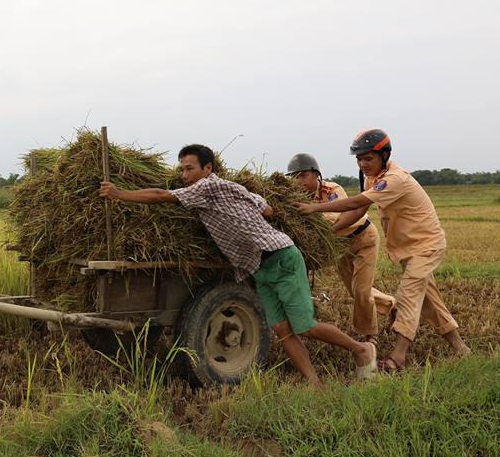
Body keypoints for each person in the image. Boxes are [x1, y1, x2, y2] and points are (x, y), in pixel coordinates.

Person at [99, 144, 376, 386]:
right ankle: (314, 382)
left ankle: (360, 349)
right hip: (259, 267)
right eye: (181, 170)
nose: (184, 176)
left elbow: (161, 196)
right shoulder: (233, 188)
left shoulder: (206, 187)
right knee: (280, 330)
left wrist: (118, 193)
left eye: (189, 169)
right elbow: (266, 207)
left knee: (304, 327)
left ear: (208, 168)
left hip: (280, 258)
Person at [297, 129, 470, 372]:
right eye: (359, 159)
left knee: (408, 294)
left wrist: (314, 209)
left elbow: (356, 202)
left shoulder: (394, 179)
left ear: (384, 155)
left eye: (368, 158)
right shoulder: (374, 178)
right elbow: (359, 211)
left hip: (426, 246)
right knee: (429, 300)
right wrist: (331, 232)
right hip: (406, 248)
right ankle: (460, 347)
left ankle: (398, 357)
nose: (362, 164)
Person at [286, 153, 396, 343]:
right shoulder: (296, 198)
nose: (298, 181)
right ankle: (391, 304)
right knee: (356, 291)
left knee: (362, 290)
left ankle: (371, 336)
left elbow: (340, 214)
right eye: (294, 177)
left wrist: (311, 216)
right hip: (339, 246)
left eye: (303, 175)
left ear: (316, 175)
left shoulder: (332, 189)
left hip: (363, 238)